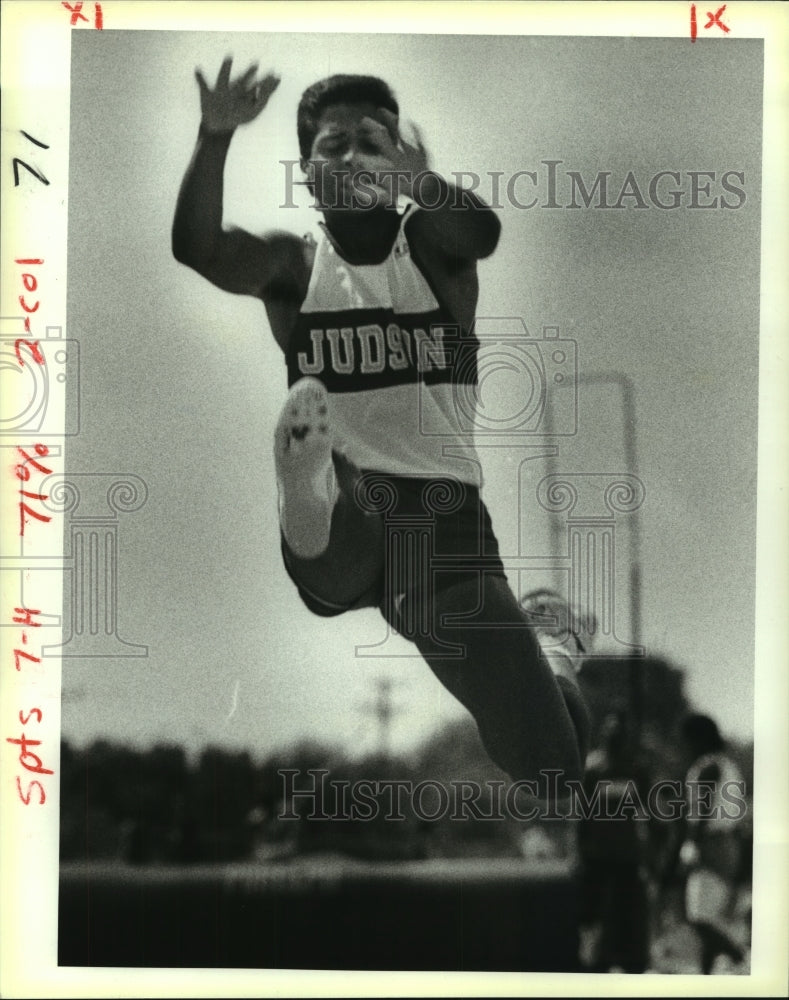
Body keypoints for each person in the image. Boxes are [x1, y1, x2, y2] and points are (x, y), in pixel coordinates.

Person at [172, 58, 590, 792]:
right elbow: (200, 249)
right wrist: (214, 137)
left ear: (401, 158)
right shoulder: (294, 268)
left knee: (551, 766)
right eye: (334, 145)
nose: (356, 156)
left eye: (375, 141)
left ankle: (553, 646)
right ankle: (308, 490)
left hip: (444, 526)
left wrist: (422, 187)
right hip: (353, 509)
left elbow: (482, 232)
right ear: (306, 172)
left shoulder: (431, 246)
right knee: (341, 522)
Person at [677, 713, 747, 974]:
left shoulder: (707, 766)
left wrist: (691, 845)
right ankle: (706, 976)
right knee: (710, 916)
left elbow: (701, 811)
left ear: (701, 738)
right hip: (729, 843)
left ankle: (740, 955)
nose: (687, 746)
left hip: (711, 844)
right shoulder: (729, 766)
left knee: (698, 919)